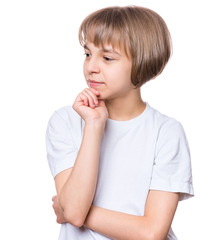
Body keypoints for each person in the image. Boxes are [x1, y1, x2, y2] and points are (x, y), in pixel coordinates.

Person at [46, 6, 194, 240]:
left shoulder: (166, 132)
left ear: (143, 62)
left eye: (107, 58)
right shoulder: (65, 121)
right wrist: (94, 126)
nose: (91, 67)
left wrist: (70, 209)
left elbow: (151, 233)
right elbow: (74, 212)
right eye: (87, 54)